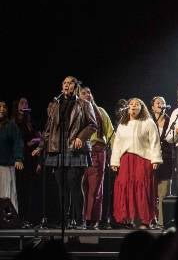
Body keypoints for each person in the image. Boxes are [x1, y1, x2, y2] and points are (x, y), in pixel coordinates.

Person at [40, 76, 98, 228]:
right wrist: (41, 146)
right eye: (64, 83)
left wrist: (81, 137)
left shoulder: (84, 104)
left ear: (75, 86)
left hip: (75, 149)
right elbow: (48, 128)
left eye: (70, 83)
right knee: (61, 187)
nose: (67, 85)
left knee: (74, 184)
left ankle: (79, 220)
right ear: (62, 86)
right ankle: (64, 220)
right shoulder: (54, 104)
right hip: (57, 150)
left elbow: (93, 125)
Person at [110, 98, 162, 228]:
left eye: (136, 104)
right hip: (125, 160)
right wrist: (114, 161)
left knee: (142, 187)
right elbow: (117, 144)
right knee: (125, 186)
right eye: (131, 104)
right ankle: (126, 218)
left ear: (142, 108)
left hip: (143, 159)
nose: (133, 106)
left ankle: (144, 220)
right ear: (127, 108)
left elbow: (155, 141)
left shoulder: (148, 122)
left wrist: (155, 159)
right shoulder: (123, 124)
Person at [78, 86, 113, 228]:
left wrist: (116, 155)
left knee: (95, 189)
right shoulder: (76, 111)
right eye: (83, 93)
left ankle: (92, 219)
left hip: (97, 150)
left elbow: (110, 132)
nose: (87, 95)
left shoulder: (100, 111)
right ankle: (78, 218)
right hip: (79, 152)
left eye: (89, 92)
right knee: (79, 187)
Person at [13, 98, 41, 226]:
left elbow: (38, 136)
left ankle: (28, 218)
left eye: (26, 103)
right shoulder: (15, 122)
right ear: (17, 105)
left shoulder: (30, 121)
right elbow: (20, 141)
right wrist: (33, 141)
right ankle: (19, 218)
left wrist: (37, 140)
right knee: (20, 189)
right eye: (22, 102)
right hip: (21, 159)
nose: (24, 105)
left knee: (29, 190)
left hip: (31, 159)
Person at [150, 96, 174, 224]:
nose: (160, 104)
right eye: (158, 102)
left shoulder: (171, 121)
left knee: (163, 192)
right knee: (150, 191)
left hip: (166, 159)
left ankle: (162, 222)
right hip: (150, 159)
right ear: (153, 107)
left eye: (163, 102)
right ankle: (150, 219)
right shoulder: (148, 120)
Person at [0, 100, 25, 214]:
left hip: (6, 166)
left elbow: (17, 142)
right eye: (0, 107)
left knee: (7, 194)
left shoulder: (11, 125)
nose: (2, 109)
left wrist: (18, 158)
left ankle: (9, 220)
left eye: (4, 107)